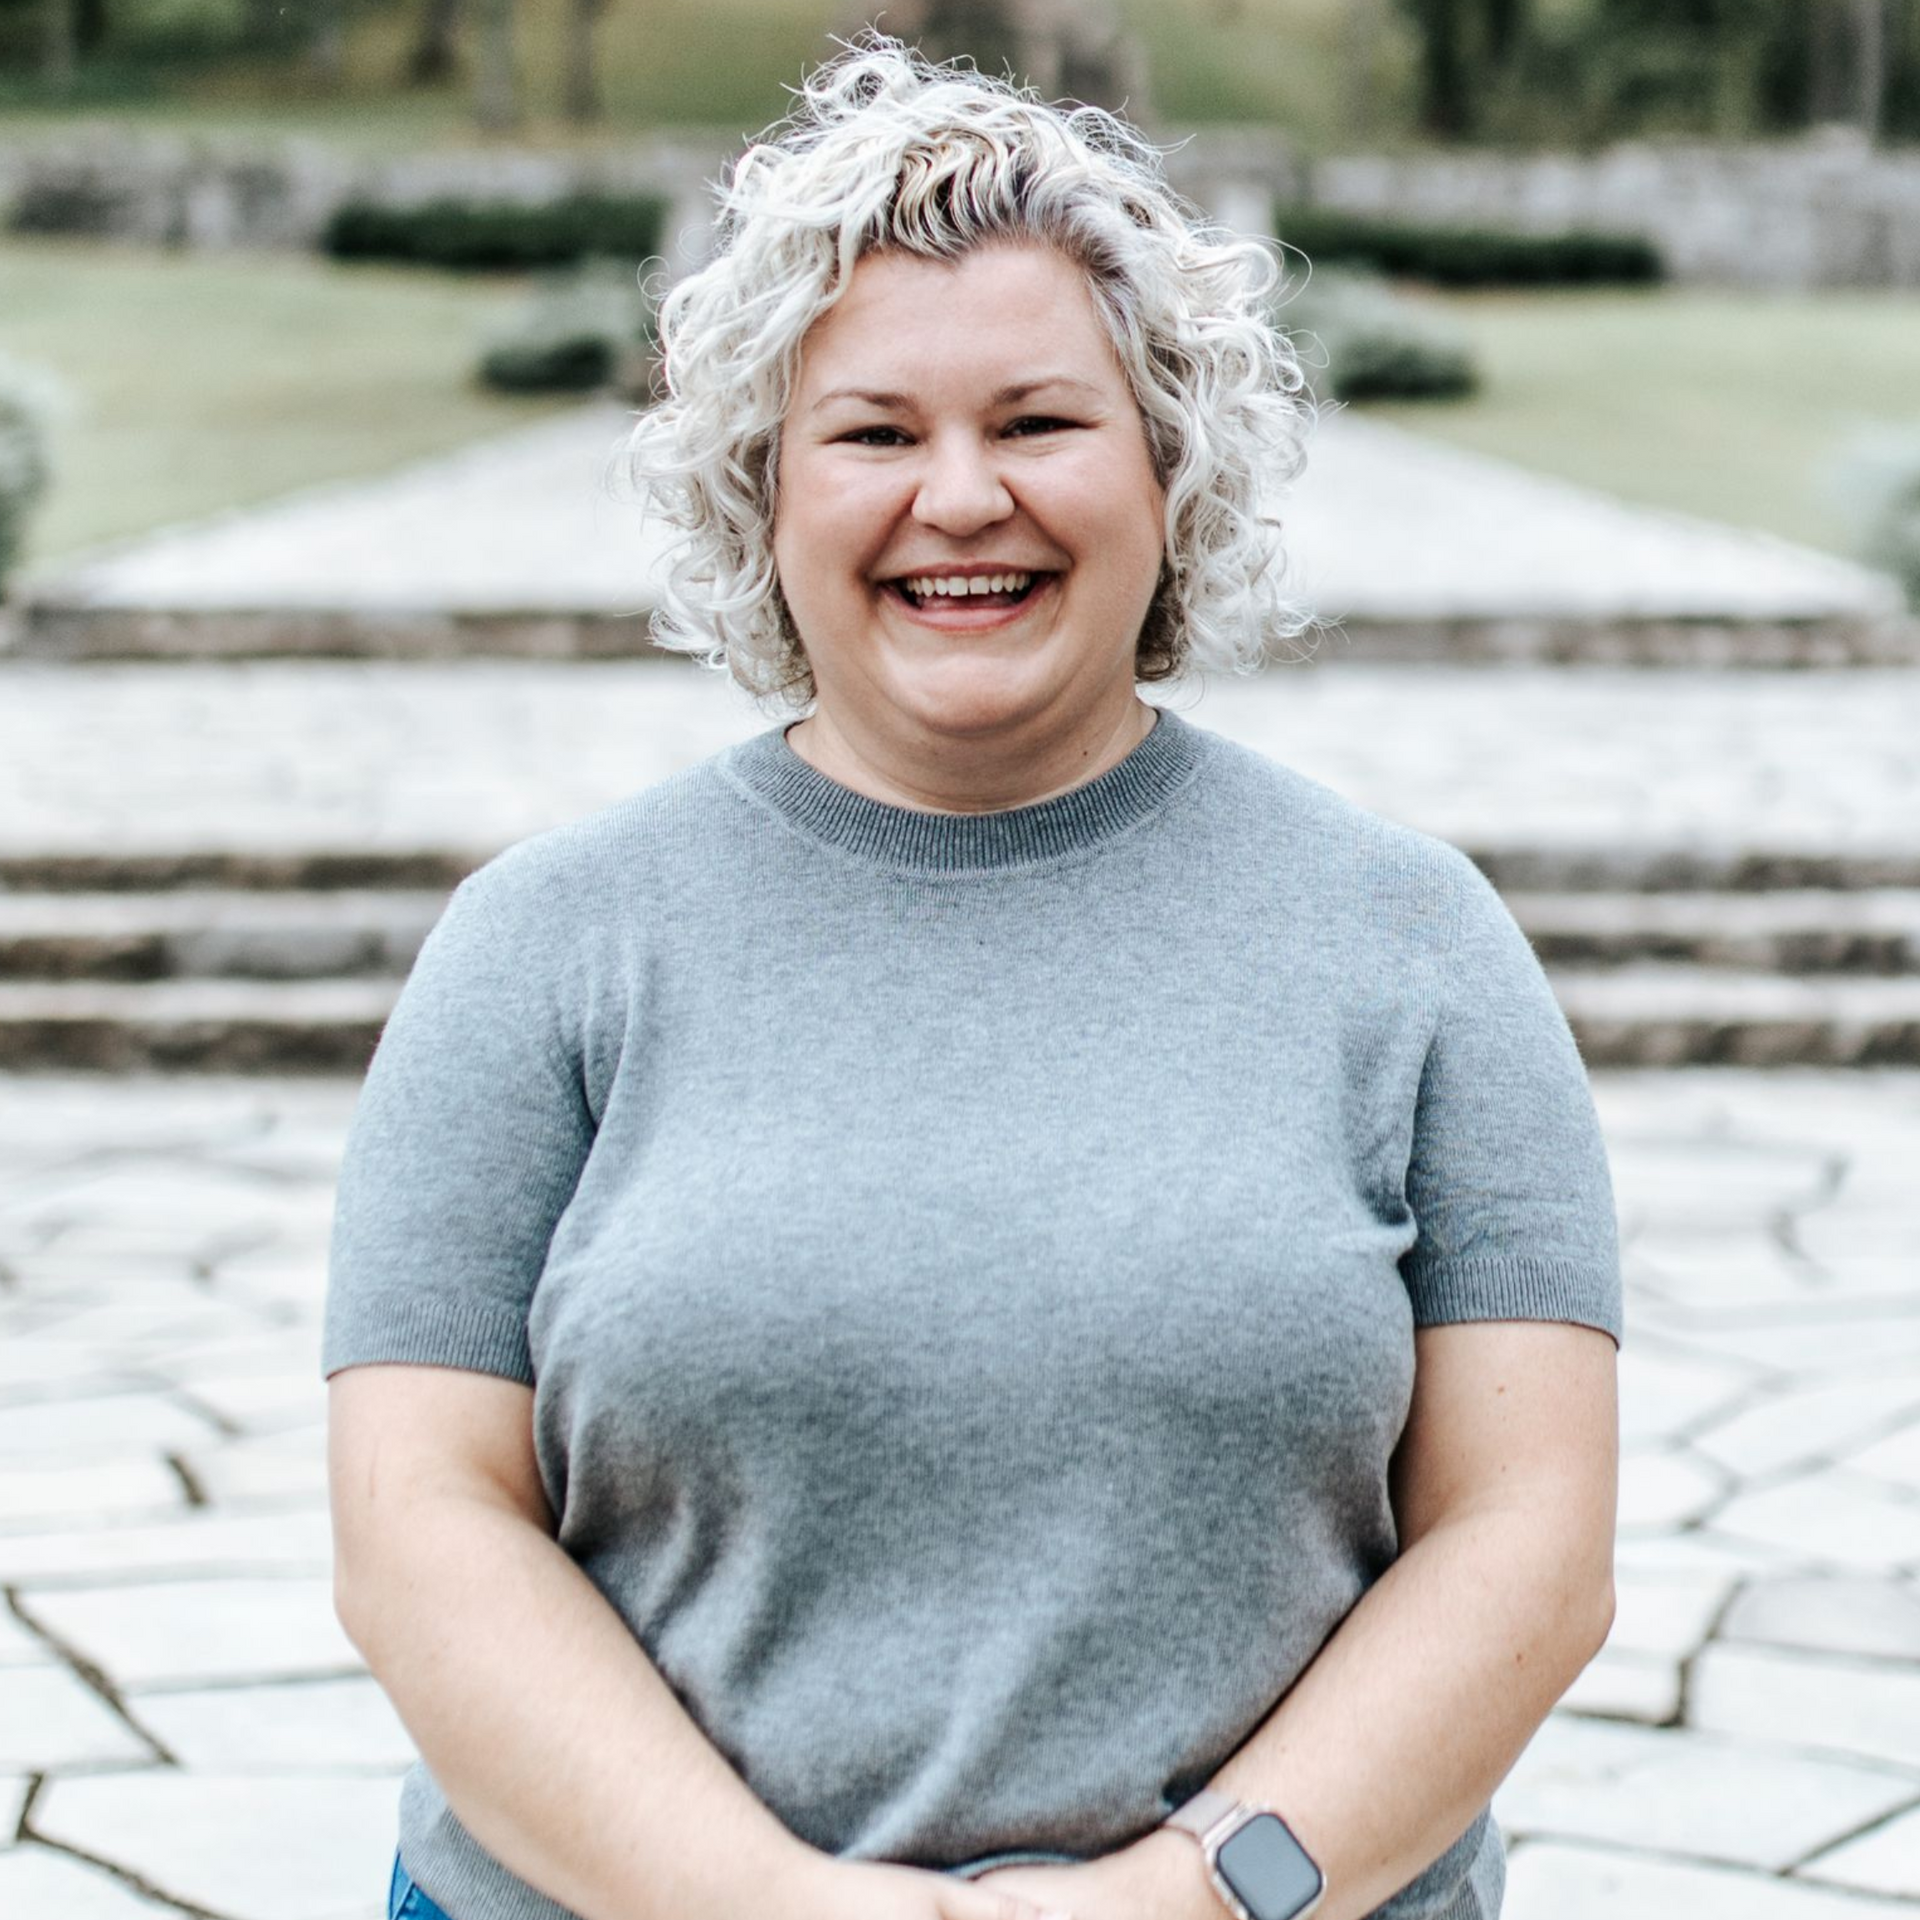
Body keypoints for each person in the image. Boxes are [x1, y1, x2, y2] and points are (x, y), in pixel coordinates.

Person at [324, 38, 1620, 1920]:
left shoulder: (1412, 943)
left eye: (1037, 423)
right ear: (760, 486)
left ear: (1170, 468)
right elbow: (418, 1529)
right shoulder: (540, 951)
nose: (959, 499)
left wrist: (1191, 1899)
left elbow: (1530, 1544)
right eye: (873, 434)